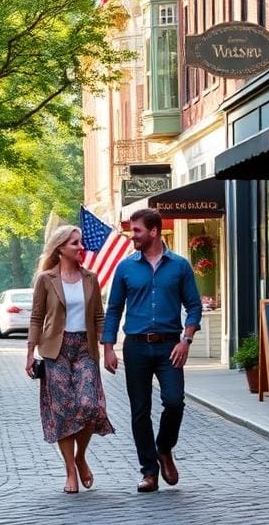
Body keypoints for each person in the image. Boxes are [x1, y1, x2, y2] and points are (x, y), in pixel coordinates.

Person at [102, 208, 202, 493]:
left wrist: (186, 339)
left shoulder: (180, 266)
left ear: (154, 231)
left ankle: (164, 447)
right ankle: (149, 472)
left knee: (174, 402)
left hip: (171, 345)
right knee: (140, 410)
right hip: (135, 347)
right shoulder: (125, 268)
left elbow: (193, 306)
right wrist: (108, 347)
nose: (132, 235)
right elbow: (113, 310)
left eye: (137, 231)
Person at [26, 224, 114, 494]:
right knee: (63, 412)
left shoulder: (91, 278)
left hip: (85, 348)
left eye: (81, 242)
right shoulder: (46, 279)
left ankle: (81, 456)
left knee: (89, 406)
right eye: (75, 243)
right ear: (61, 248)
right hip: (56, 351)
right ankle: (70, 472)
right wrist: (30, 353)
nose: (80, 247)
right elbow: (37, 317)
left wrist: (109, 347)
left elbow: (99, 316)